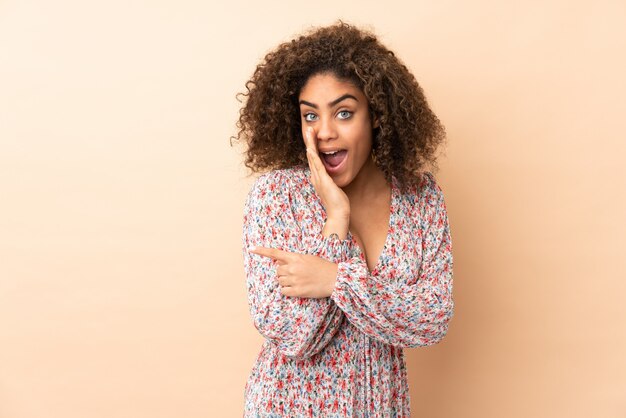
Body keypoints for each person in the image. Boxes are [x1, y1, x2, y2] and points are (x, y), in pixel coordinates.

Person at [232, 21, 454, 417]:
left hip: (380, 406)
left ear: (377, 116)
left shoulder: (421, 198)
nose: (325, 133)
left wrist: (335, 280)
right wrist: (336, 219)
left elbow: (432, 319)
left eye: (344, 113)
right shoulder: (276, 197)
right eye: (310, 116)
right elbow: (296, 336)